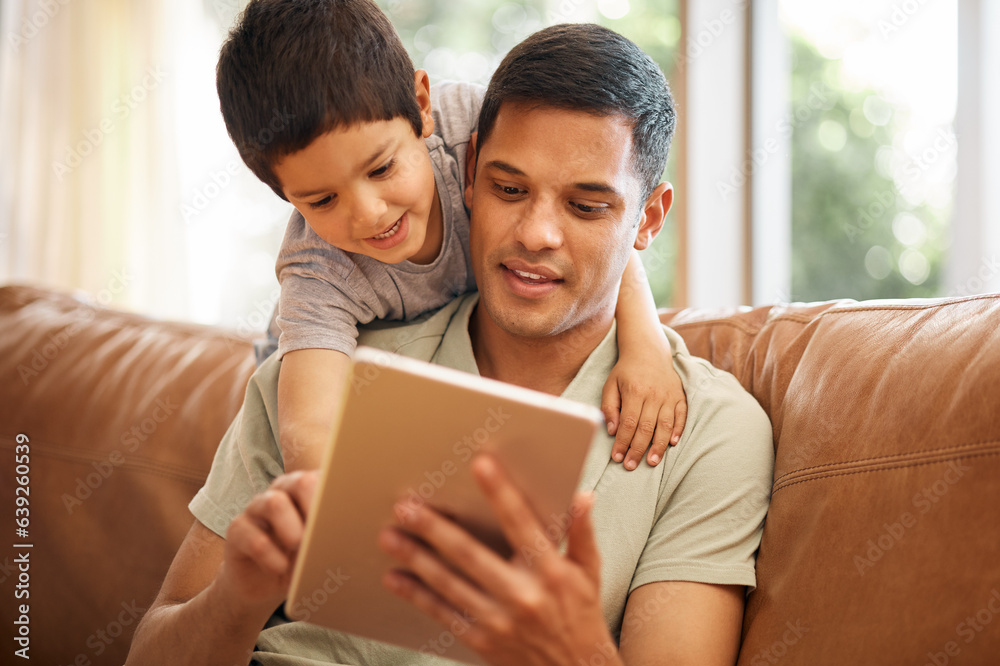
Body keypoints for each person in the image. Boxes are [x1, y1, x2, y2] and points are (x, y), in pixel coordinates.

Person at [124, 22, 774, 666]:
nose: (536, 233)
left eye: (585, 207)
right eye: (509, 189)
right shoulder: (321, 371)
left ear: (649, 220)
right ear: (466, 174)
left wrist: (572, 655)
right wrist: (238, 598)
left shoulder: (710, 433)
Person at [214, 0, 688, 477]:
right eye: (321, 200)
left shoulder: (469, 128)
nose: (369, 214)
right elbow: (310, 434)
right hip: (300, 371)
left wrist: (647, 348)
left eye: (381, 168)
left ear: (422, 107)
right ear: (283, 193)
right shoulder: (319, 268)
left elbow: (594, 217)